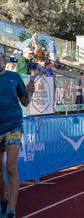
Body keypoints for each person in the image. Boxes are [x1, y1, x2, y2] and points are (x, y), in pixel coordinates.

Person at [0, 44, 34, 218]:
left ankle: (11, 211)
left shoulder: (14, 77)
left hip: (14, 126)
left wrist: (29, 93)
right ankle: (3, 198)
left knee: (11, 168)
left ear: (3, 58)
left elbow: (25, 102)